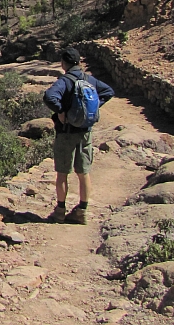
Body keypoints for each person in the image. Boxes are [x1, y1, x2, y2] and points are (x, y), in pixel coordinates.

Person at [42, 47, 114, 224]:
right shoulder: (90, 80)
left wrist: (62, 111)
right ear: (79, 62)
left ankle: (60, 211)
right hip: (85, 133)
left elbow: (49, 97)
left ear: (63, 63)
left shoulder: (65, 81)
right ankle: (82, 211)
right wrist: (92, 108)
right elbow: (108, 92)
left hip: (66, 133)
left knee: (62, 173)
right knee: (84, 173)